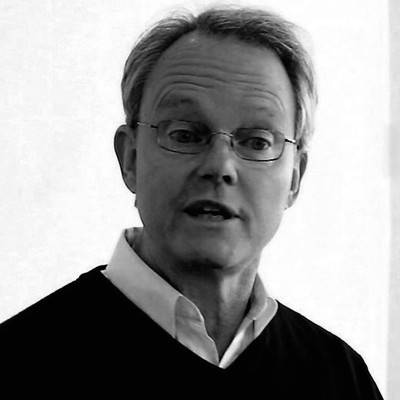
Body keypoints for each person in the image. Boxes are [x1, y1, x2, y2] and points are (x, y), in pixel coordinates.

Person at [0, 6, 383, 398]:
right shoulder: (17, 362)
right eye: (185, 135)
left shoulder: (340, 378)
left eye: (256, 142)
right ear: (130, 158)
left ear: (295, 177)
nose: (220, 167)